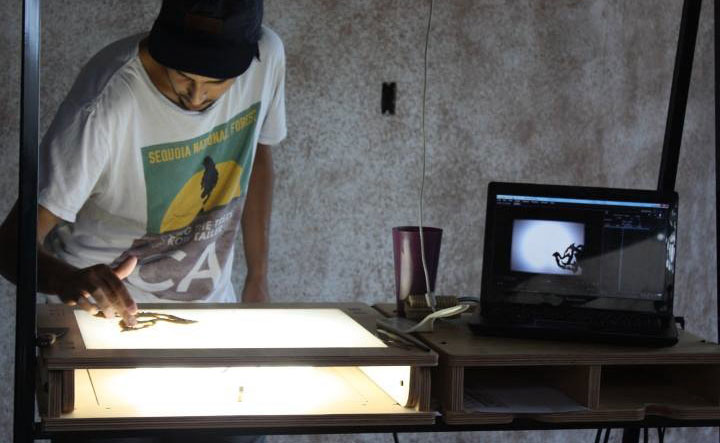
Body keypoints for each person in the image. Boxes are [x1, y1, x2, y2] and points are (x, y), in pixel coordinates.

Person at [0, 0, 284, 441]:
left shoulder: (268, 56)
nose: (196, 96)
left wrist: (257, 278)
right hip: (107, 335)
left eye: (217, 82)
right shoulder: (105, 105)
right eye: (183, 76)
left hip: (212, 331)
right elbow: (9, 245)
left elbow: (259, 155)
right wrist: (70, 280)